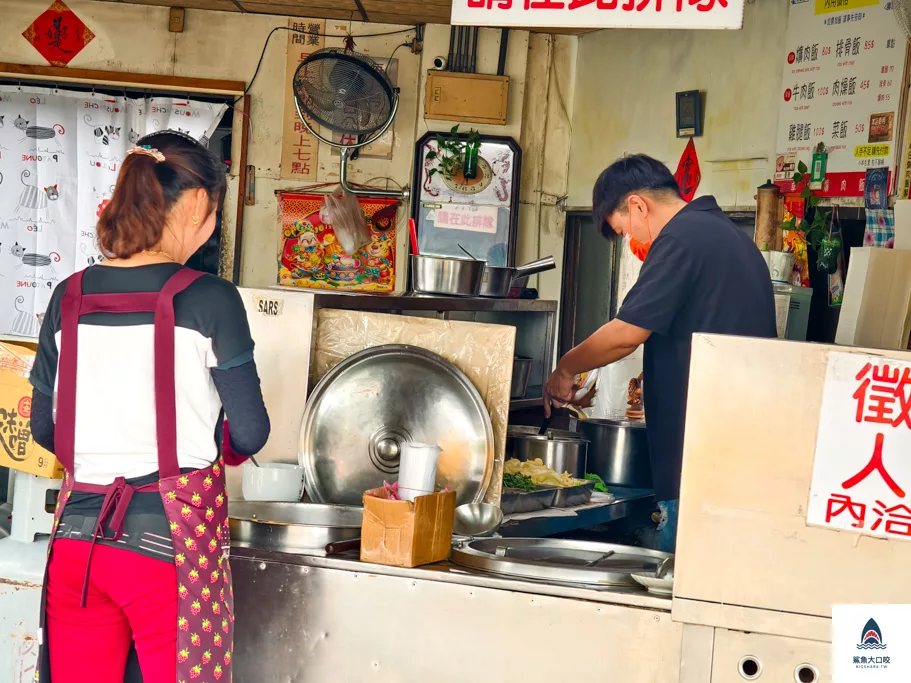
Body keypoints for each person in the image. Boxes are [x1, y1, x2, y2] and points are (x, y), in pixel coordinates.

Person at [29, 130, 270, 683]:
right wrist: (217, 443)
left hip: (77, 547)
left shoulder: (68, 295)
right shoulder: (210, 298)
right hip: (169, 548)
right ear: (197, 206)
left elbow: (45, 426)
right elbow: (251, 432)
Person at [544, 154, 776, 553]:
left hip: (700, 463)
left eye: (625, 230)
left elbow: (626, 334)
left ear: (637, 205)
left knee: (681, 590)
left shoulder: (680, 239)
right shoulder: (726, 235)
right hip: (739, 454)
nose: (635, 241)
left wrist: (566, 367)